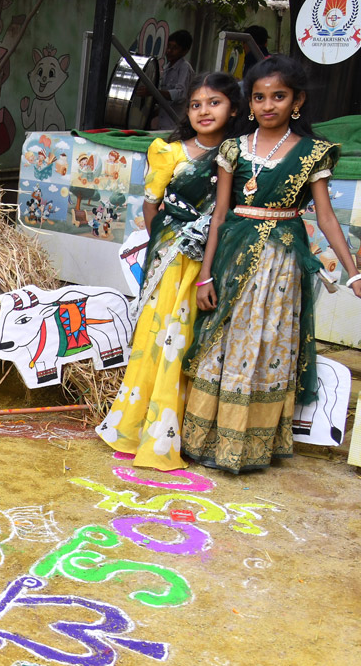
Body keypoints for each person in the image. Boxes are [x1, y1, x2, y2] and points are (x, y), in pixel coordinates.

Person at [183, 54, 361, 473]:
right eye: (259, 97)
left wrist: (354, 272)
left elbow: (326, 217)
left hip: (280, 265)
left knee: (266, 344)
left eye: (278, 96)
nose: (268, 105)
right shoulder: (233, 148)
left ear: (296, 100)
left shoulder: (313, 153)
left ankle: (247, 447)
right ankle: (205, 438)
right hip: (231, 258)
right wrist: (205, 274)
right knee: (223, 345)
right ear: (249, 103)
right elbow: (220, 214)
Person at [97, 72, 242, 470]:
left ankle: (191, 433)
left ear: (233, 108)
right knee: (164, 338)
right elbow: (150, 205)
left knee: (196, 341)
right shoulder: (169, 151)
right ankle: (146, 432)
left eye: (214, 103)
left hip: (214, 260)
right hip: (172, 261)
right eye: (196, 104)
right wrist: (171, 236)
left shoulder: (237, 155)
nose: (204, 111)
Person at [155, 30, 194, 131]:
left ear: (184, 51)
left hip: (175, 125)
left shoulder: (184, 68)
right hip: (163, 124)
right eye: (168, 47)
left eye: (174, 48)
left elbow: (180, 94)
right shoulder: (167, 67)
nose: (169, 51)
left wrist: (154, 92)